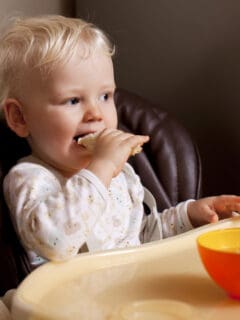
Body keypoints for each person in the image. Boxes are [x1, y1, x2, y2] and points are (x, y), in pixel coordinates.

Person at [1, 15, 240, 270]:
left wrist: (190, 215)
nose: (96, 114)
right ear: (20, 117)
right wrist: (101, 169)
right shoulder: (31, 179)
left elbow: (141, 238)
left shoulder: (120, 176)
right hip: (70, 303)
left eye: (105, 96)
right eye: (73, 100)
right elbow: (56, 243)